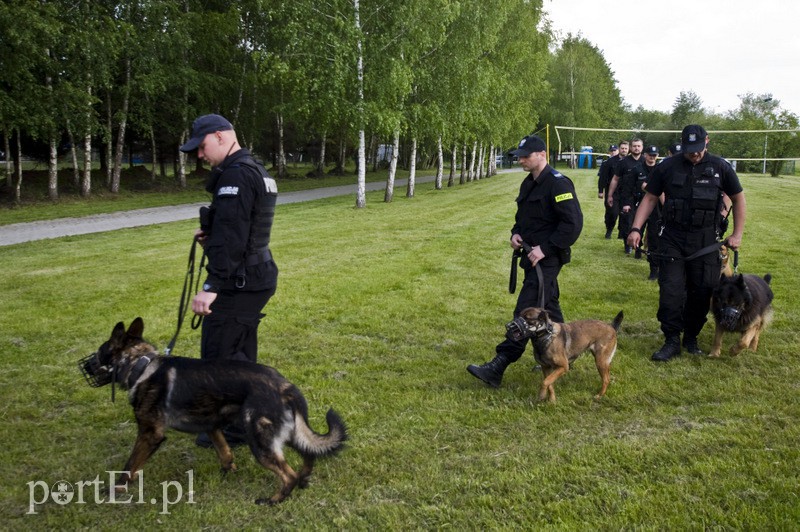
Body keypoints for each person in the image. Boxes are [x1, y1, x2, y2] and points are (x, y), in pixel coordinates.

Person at [179, 114, 279, 444]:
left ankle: (236, 428)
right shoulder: (254, 169)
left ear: (221, 137)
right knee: (239, 354)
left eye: (202, 146)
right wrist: (213, 236)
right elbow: (243, 231)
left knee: (219, 359)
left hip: (240, 281)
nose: (200, 155)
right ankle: (247, 420)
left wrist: (211, 287)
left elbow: (234, 240)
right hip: (256, 275)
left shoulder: (235, 176)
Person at [467, 134, 583, 387]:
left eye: (525, 156)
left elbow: (573, 225)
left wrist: (546, 248)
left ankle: (498, 366)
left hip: (547, 260)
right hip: (530, 257)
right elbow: (523, 218)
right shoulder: (528, 184)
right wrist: (515, 233)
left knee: (526, 313)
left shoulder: (559, 184)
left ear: (542, 154)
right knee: (549, 306)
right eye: (519, 156)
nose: (520, 160)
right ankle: (562, 354)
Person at [627, 125, 746, 361]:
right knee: (670, 292)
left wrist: (737, 234)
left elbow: (738, 198)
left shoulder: (720, 167)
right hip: (672, 237)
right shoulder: (667, 167)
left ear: (707, 142)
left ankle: (691, 337)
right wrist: (636, 228)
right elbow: (650, 197)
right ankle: (671, 340)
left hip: (705, 240)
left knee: (702, 292)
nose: (694, 154)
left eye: (698, 149)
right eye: (689, 149)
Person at [607, 138, 644, 254]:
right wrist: (610, 195)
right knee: (627, 221)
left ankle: (638, 246)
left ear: (642, 147)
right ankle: (627, 244)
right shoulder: (623, 162)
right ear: (631, 148)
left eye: (638, 146)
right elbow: (615, 179)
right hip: (627, 196)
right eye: (634, 146)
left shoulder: (645, 161)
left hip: (643, 197)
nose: (636, 148)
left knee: (641, 221)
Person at [639, 145, 662, 277]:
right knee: (653, 237)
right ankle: (654, 268)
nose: (652, 157)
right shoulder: (662, 169)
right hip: (655, 208)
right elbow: (644, 185)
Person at [597, 144, 620, 239]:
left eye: (615, 150)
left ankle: (622, 232)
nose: (613, 152)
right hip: (610, 190)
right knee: (611, 211)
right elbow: (602, 177)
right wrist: (601, 191)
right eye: (612, 151)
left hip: (623, 190)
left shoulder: (625, 161)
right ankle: (609, 228)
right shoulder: (606, 163)